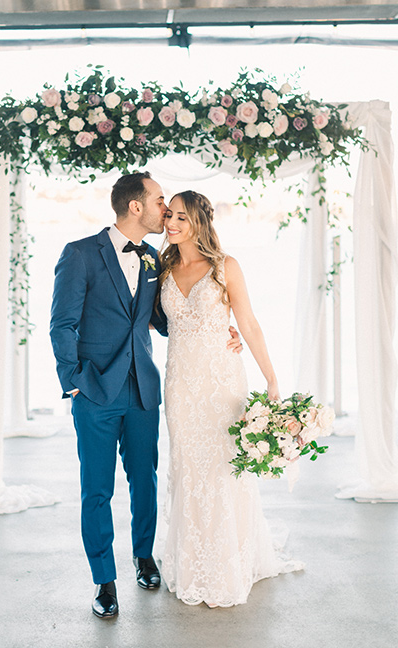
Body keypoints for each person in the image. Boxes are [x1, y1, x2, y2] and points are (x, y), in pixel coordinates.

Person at [50, 172, 241, 619]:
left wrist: (218, 330)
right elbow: (62, 324)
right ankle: (104, 580)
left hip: (144, 389)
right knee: (96, 489)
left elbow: (163, 318)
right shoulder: (79, 254)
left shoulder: (157, 258)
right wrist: (73, 380)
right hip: (95, 391)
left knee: (146, 479)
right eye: (160, 202)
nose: (165, 212)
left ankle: (144, 557)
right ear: (136, 207)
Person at [159, 190, 301, 608]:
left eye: (181, 218)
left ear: (200, 222)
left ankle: (227, 564)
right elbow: (151, 321)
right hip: (180, 386)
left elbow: (249, 324)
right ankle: (191, 563)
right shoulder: (162, 266)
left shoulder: (225, 267)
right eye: (169, 216)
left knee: (223, 470)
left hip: (222, 385)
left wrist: (272, 379)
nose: (172, 224)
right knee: (187, 470)